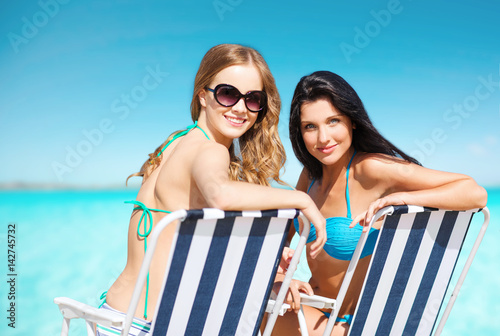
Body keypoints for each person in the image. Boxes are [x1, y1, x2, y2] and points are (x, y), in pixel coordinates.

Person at [95, 44, 327, 336]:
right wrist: (301, 199)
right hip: (153, 326)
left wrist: (268, 268)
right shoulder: (210, 151)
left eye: (253, 99)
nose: (241, 108)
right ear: (202, 96)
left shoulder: (174, 144)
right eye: (228, 94)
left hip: (113, 318)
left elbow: (181, 246)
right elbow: (220, 193)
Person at [271, 71, 488, 336]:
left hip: (351, 325)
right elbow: (281, 240)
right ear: (299, 132)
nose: (323, 138)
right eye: (310, 126)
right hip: (315, 309)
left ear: (351, 121)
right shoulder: (310, 176)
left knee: (253, 309)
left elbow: (474, 192)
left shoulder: (370, 169)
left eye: (333, 121)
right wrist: (281, 277)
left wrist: (401, 199)